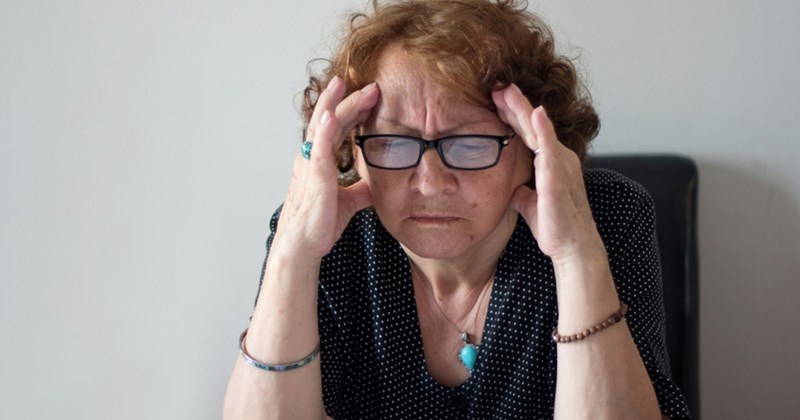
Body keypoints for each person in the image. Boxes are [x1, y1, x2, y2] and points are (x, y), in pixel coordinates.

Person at [224, 0, 691, 418]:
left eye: (468, 144)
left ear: (530, 150)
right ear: (352, 149)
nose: (429, 183)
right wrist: (293, 253)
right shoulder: (329, 240)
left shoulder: (604, 216)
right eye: (392, 142)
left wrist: (576, 255)